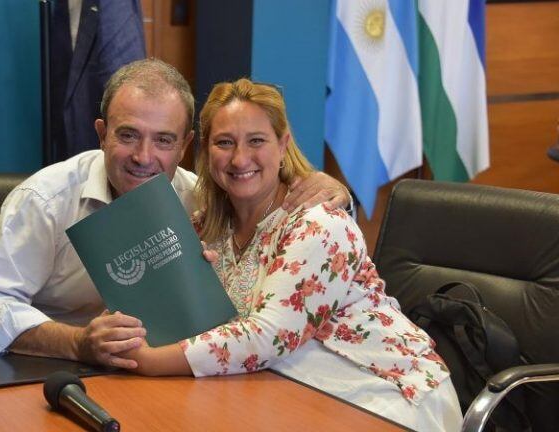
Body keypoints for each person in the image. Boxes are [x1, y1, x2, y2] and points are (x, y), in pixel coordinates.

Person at [0, 59, 351, 368]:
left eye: (163, 140)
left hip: (162, 370)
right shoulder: (46, 199)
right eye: (128, 135)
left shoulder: (202, 200)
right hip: (47, 369)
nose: (144, 157)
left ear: (185, 146)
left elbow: (268, 203)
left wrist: (337, 193)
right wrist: (75, 343)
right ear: (101, 134)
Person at [118, 78, 462, 431]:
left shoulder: (320, 223)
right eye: (224, 142)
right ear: (205, 150)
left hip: (383, 393)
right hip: (287, 390)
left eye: (256, 141)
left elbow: (269, 336)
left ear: (283, 145)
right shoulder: (206, 227)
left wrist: (149, 361)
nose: (239, 159)